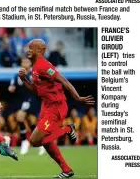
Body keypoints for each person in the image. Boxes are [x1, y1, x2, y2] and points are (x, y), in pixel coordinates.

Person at [19, 39, 95, 178]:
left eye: (31, 48)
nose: (28, 50)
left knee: (35, 141)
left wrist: (77, 97)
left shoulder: (43, 65)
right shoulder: (35, 67)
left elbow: (63, 80)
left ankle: (68, 128)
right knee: (45, 142)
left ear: (40, 50)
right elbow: (36, 91)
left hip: (56, 107)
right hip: (46, 106)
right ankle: (66, 170)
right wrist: (24, 80)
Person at [8, 57, 43, 156]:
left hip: (32, 99)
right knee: (30, 120)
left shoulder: (34, 75)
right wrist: (11, 88)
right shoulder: (17, 75)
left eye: (27, 62)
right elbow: (11, 86)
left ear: (30, 64)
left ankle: (24, 141)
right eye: (23, 61)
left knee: (20, 116)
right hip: (21, 101)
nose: (24, 63)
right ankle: (39, 142)